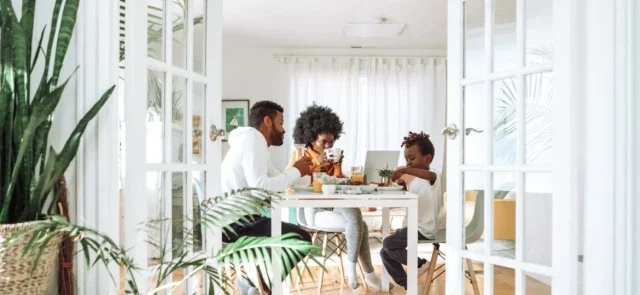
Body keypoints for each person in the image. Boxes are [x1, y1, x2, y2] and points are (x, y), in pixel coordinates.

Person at [286, 104, 385, 290]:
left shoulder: (332, 155)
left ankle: (354, 269)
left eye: (331, 141)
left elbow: (337, 183)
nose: (328, 146)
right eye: (324, 142)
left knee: (356, 215)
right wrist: (316, 162)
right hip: (313, 210)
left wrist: (338, 167)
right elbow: (289, 184)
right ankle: (365, 273)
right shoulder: (300, 155)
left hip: (334, 204)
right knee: (360, 225)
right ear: (311, 138)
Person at [221, 100, 313, 295]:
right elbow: (262, 187)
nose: (284, 130)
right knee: (301, 238)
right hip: (235, 223)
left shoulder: (254, 142)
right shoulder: (253, 140)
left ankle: (251, 281)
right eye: (281, 123)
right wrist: (296, 170)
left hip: (240, 219)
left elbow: (276, 180)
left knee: (298, 236)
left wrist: (301, 170)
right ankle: (254, 281)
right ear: (267, 121)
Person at [380, 131, 443, 291]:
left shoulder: (434, 175)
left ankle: (421, 264)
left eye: (412, 158)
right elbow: (411, 197)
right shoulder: (415, 181)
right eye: (406, 159)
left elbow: (428, 175)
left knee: (388, 243)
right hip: (411, 227)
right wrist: (402, 184)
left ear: (427, 158)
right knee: (385, 252)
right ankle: (410, 286)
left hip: (424, 228)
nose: (408, 163)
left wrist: (404, 170)